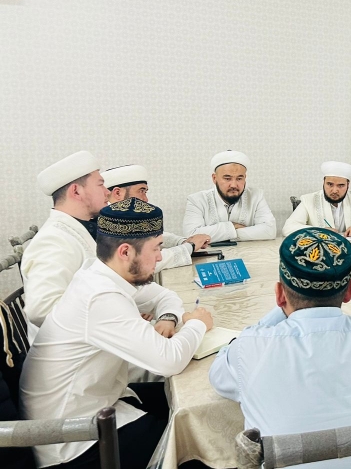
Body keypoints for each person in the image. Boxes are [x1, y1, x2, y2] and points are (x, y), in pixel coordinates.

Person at [19, 198, 213, 468]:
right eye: (156, 248)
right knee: (201, 447)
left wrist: (168, 317)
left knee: (193, 407)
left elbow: (163, 295)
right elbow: (169, 361)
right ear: (125, 252)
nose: (160, 257)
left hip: (99, 405)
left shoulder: (100, 273)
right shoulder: (99, 296)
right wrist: (198, 323)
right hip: (72, 441)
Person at [209, 227, 351, 469]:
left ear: (279, 295)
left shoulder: (251, 347)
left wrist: (278, 312)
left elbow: (218, 377)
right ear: (350, 291)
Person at [22, 151, 109, 336]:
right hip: (76, 350)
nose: (107, 192)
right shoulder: (54, 240)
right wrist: (116, 316)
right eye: (100, 184)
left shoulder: (80, 228)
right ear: (76, 191)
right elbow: (41, 309)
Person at [103, 164, 211, 271]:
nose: (146, 199)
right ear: (118, 193)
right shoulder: (105, 221)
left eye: (145, 192)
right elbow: (141, 261)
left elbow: (149, 236)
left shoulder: (121, 215)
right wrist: (190, 246)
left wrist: (181, 241)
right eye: (141, 191)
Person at [183, 150, 276, 242]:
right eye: (227, 178)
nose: (234, 185)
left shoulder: (256, 196)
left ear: (245, 178)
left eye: (239, 178)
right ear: (214, 178)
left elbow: (270, 231)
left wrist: (224, 234)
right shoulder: (197, 200)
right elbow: (191, 236)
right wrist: (233, 227)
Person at [282, 161, 351, 237]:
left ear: (348, 185)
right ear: (323, 182)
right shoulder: (308, 200)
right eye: (330, 184)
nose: (334, 190)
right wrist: (319, 231)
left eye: (341, 185)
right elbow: (288, 228)